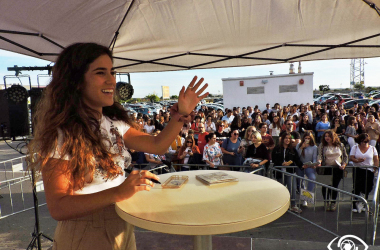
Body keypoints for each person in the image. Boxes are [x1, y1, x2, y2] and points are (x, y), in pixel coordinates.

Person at [26, 43, 209, 250]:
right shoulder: (62, 134)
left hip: (121, 224)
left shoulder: (113, 122)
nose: (111, 80)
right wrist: (118, 192)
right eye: (100, 72)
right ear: (76, 81)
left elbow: (157, 145)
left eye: (112, 72)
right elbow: (58, 207)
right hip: (85, 231)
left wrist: (180, 115)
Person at [272, 132, 303, 213]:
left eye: (289, 138)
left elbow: (297, 160)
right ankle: (280, 206)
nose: (287, 140)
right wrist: (281, 163)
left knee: (292, 188)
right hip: (279, 172)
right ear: (282, 139)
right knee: (281, 190)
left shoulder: (293, 149)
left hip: (290, 172)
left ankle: (293, 205)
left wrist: (303, 166)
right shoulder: (277, 148)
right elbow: (274, 159)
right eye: (286, 138)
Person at [317, 130, 348, 212]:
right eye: (326, 136)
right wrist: (319, 162)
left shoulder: (340, 145)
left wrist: (344, 165)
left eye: (329, 136)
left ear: (333, 137)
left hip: (337, 169)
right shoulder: (322, 145)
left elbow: (345, 157)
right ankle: (326, 202)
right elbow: (319, 155)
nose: (327, 138)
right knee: (325, 186)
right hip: (325, 169)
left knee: (334, 186)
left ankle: (333, 202)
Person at [349, 133, 379, 213]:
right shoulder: (355, 147)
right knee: (357, 187)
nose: (364, 143)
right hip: (358, 169)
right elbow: (351, 157)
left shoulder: (372, 148)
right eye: (362, 141)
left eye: (366, 141)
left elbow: (376, 159)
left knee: (368, 187)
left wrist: (375, 168)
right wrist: (357, 160)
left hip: (369, 170)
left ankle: (363, 203)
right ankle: (355, 205)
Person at [295, 132, 318, 207]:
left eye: (309, 138)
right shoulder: (299, 145)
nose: (307, 140)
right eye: (306, 138)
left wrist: (313, 164)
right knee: (301, 181)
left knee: (312, 178)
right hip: (300, 166)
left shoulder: (314, 147)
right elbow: (296, 156)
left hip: (309, 166)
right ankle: (303, 198)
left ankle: (307, 197)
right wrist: (301, 148)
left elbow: (314, 158)